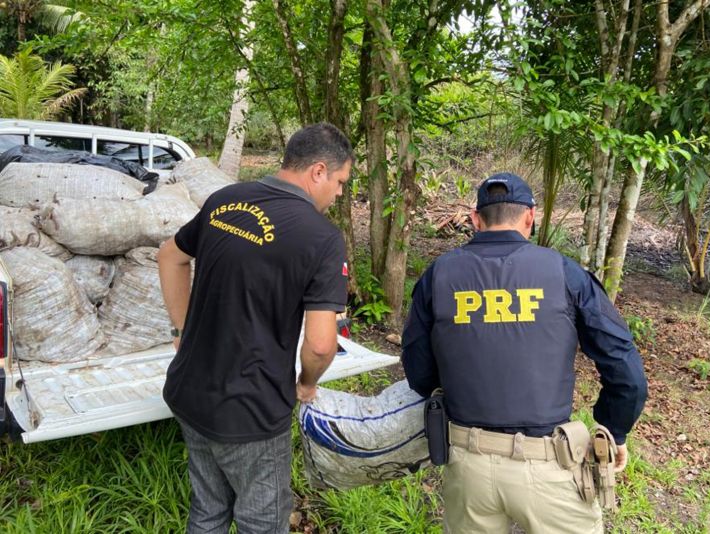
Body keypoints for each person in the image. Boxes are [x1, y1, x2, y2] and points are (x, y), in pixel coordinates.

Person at [402, 172, 648, 533]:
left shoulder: (439, 275)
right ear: (530, 216)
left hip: (467, 465)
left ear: (475, 219)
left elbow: (418, 370)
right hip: (550, 466)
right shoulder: (564, 273)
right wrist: (614, 429)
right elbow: (626, 370)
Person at [157, 122, 353, 534]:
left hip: (189, 392)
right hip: (251, 410)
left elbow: (169, 257)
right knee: (261, 522)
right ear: (318, 171)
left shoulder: (226, 199)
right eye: (339, 182)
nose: (338, 194)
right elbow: (320, 345)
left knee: (207, 512)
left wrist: (182, 332)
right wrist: (306, 384)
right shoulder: (321, 238)